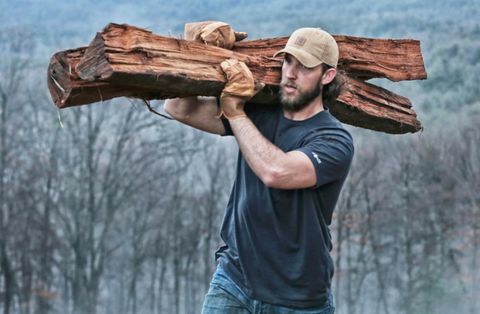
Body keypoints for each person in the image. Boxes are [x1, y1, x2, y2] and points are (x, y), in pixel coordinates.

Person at [164, 22, 354, 314]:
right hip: (234, 280)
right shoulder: (261, 112)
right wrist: (194, 56)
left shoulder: (334, 140)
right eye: (288, 61)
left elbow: (276, 172)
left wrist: (236, 112)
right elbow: (179, 110)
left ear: (326, 76)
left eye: (304, 67)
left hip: (297, 297)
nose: (290, 73)